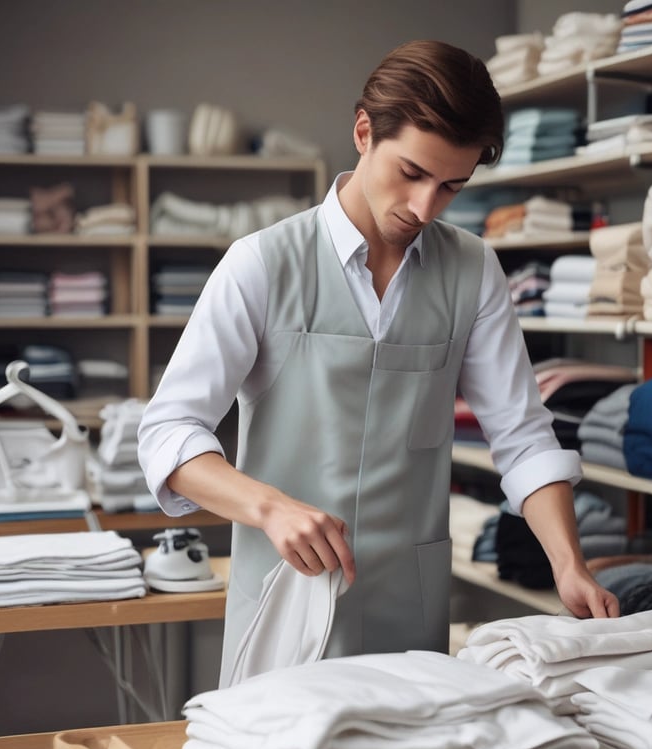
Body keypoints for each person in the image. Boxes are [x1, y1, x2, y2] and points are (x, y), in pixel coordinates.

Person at [138, 39, 619, 686]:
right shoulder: (261, 263)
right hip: (286, 598)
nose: (424, 207)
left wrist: (567, 563)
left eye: (451, 187)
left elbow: (523, 437)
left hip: (408, 609)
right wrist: (270, 508)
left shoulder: (473, 270)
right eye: (411, 173)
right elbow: (168, 432)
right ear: (364, 132)